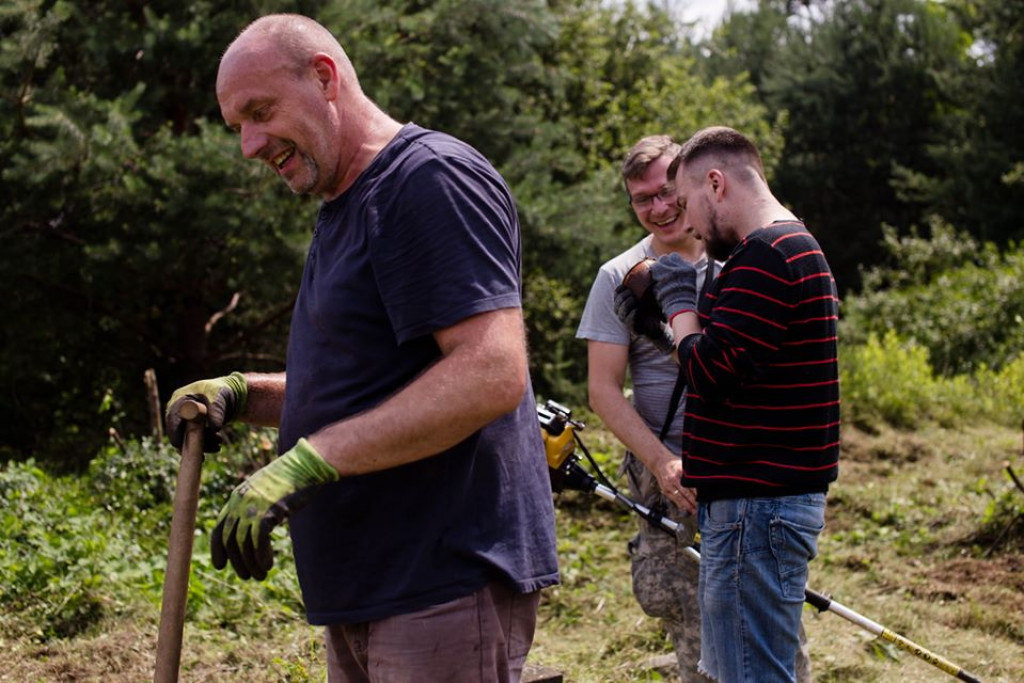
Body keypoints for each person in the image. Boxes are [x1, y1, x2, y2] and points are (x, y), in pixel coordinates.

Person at [164, 14, 559, 683]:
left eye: (260, 112)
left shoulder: (428, 179)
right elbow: (370, 389)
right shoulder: (347, 203)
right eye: (238, 126)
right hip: (372, 588)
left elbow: (490, 372)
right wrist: (244, 393)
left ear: (324, 78)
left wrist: (308, 462)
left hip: (439, 582)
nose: (250, 145)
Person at [576, 136, 811, 682]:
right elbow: (603, 390)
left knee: (767, 624)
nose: (659, 208)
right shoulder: (619, 275)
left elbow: (749, 364)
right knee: (691, 619)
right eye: (642, 199)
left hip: (744, 469)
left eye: (667, 192)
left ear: (695, 184)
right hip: (667, 469)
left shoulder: (744, 256)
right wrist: (660, 461)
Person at [645, 126, 840, 683]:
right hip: (763, 505)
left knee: (748, 674)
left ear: (716, 183)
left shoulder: (766, 256)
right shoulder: (790, 246)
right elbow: (737, 365)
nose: (687, 225)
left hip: (756, 508)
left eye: (686, 204)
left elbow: (710, 372)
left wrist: (678, 306)